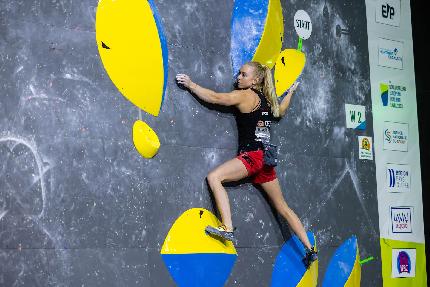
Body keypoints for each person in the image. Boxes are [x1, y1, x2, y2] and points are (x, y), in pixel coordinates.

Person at [176, 61, 317, 268]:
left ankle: (228, 228)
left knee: (214, 178)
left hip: (253, 157)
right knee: (283, 208)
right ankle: (310, 249)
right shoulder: (268, 102)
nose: (238, 78)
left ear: (255, 80)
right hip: (266, 161)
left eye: (243, 75)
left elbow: (216, 98)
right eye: (239, 74)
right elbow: (282, 110)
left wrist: (191, 85)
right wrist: (291, 93)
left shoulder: (245, 95)